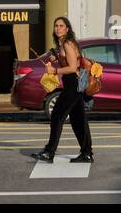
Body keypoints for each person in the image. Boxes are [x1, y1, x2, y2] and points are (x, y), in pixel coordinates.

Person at [30, 16, 93, 164]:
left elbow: (72, 67)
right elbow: (69, 62)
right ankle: (87, 153)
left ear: (67, 28)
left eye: (61, 26)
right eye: (56, 26)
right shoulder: (63, 44)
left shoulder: (68, 44)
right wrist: (56, 60)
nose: (58, 28)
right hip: (74, 84)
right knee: (78, 120)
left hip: (73, 84)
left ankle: (49, 152)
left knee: (57, 116)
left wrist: (54, 71)